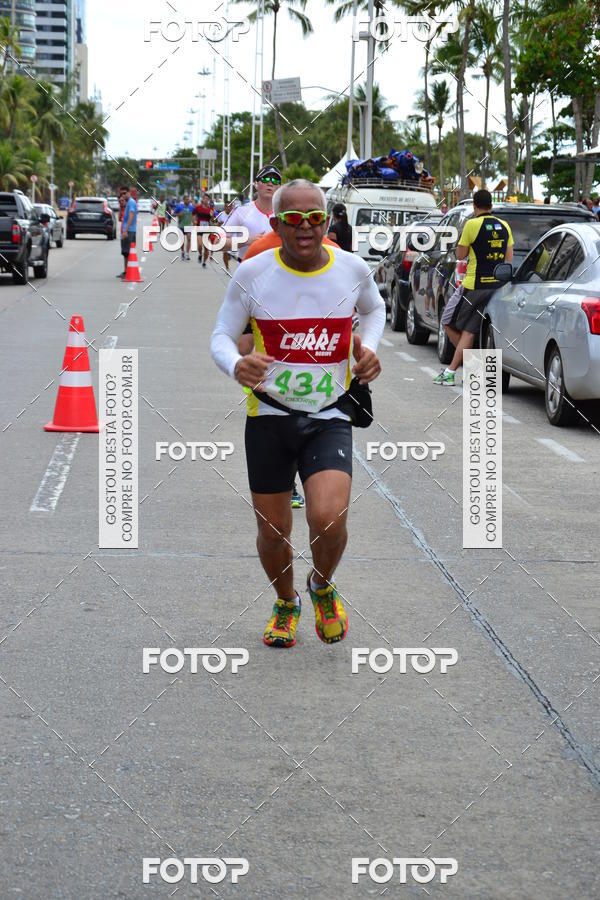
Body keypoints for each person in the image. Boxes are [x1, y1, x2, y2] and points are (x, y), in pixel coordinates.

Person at [211, 179, 385, 649]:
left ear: (327, 221)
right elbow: (221, 337)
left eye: (315, 217)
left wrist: (367, 349)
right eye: (293, 219)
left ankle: (321, 585)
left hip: (329, 414)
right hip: (269, 415)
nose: (305, 227)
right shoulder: (252, 273)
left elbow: (375, 309)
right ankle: (286, 601)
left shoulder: (350, 268)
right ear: (275, 223)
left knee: (328, 517)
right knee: (273, 532)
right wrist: (236, 364)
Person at [434, 189, 514, 385]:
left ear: (474, 206)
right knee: (469, 330)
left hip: (473, 285)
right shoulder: (504, 226)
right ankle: (453, 372)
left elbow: (460, 255)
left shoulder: (471, 225)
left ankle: (469, 367)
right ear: (491, 206)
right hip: (496, 287)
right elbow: (508, 259)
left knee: (446, 320)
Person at [222, 165, 281, 261]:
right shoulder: (242, 211)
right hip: (247, 272)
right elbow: (217, 241)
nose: (270, 183)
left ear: (279, 187)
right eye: (265, 179)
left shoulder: (284, 214)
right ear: (256, 184)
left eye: (275, 181)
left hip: (275, 273)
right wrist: (247, 240)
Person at [116, 187, 137, 278]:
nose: (123, 195)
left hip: (128, 231)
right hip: (128, 230)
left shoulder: (131, 202)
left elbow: (131, 216)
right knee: (125, 253)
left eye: (125, 193)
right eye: (121, 194)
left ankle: (128, 272)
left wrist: (125, 230)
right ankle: (126, 271)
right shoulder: (128, 203)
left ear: (129, 193)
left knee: (127, 252)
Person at [193, 193, 214, 267]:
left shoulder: (210, 209)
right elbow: (193, 214)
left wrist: (212, 216)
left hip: (207, 230)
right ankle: (200, 254)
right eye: (204, 198)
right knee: (199, 244)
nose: (205, 200)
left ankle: (204, 262)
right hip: (199, 228)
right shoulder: (198, 208)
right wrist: (194, 221)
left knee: (206, 248)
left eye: (207, 199)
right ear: (202, 199)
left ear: (209, 200)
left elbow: (213, 220)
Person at [174, 195, 194, 259]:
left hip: (189, 225)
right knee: (182, 240)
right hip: (181, 225)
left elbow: (195, 214)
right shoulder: (179, 207)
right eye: (186, 199)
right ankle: (182, 252)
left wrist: (194, 221)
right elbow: (173, 214)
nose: (187, 200)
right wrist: (179, 214)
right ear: (184, 200)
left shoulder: (191, 207)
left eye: (188, 199)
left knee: (189, 239)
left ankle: (187, 253)